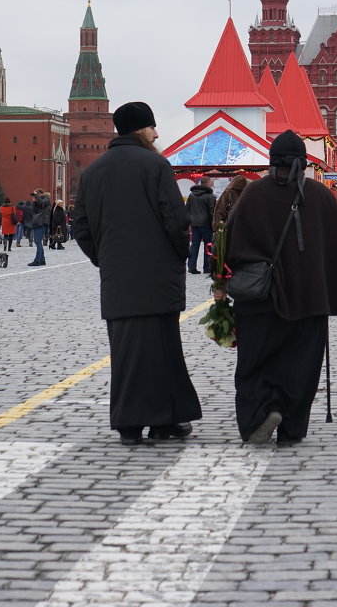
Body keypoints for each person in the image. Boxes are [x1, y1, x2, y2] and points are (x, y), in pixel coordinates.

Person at [71, 101, 201, 445]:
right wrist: (179, 256)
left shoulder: (93, 172)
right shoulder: (156, 165)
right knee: (162, 350)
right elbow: (176, 220)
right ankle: (161, 421)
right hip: (157, 279)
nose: (156, 133)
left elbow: (81, 227)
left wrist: (106, 259)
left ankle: (133, 424)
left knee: (127, 353)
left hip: (119, 281)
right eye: (152, 127)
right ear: (139, 130)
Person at [224, 130, 337, 446]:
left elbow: (229, 243)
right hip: (309, 300)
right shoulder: (322, 196)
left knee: (255, 362)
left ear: (271, 161)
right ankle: (291, 428)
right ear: (304, 161)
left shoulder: (253, 195)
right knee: (301, 365)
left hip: (259, 299)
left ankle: (259, 415)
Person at [185, 177, 216, 274]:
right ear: (207, 183)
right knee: (208, 246)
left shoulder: (191, 195)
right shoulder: (210, 196)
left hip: (194, 224)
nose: (211, 183)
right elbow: (212, 212)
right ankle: (207, 268)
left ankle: (191, 266)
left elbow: (187, 209)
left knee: (194, 245)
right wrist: (214, 224)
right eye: (210, 182)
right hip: (206, 224)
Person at [28, 190, 51, 265]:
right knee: (38, 241)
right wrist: (34, 201)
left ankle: (38, 260)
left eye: (37, 194)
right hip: (38, 222)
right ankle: (42, 259)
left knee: (37, 241)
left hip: (41, 222)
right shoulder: (40, 201)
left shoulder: (46, 199)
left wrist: (36, 196)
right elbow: (34, 211)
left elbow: (42, 202)